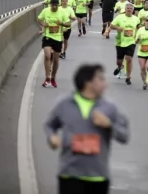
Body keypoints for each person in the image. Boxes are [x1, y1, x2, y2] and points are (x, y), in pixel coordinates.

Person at [44, 64, 129, 194]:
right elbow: (49, 125)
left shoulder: (110, 108)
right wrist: (52, 137)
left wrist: (109, 125)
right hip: (69, 174)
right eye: (101, 79)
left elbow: (124, 136)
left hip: (98, 176)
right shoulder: (65, 104)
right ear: (88, 82)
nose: (105, 84)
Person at [37, 0, 71, 87]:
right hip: (48, 36)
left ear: (58, 5)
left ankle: (53, 78)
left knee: (56, 60)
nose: (54, 7)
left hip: (58, 38)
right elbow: (39, 19)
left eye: (56, 5)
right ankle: (47, 77)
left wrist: (61, 24)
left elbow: (69, 23)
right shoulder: (46, 11)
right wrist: (43, 24)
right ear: (50, 5)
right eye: (53, 5)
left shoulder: (62, 12)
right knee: (47, 56)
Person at [104, 3, 140, 85]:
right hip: (120, 42)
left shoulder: (136, 19)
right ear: (125, 9)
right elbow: (111, 26)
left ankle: (128, 77)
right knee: (119, 61)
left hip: (131, 41)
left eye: (131, 8)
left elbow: (139, 28)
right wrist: (117, 28)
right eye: (128, 8)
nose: (129, 10)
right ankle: (120, 67)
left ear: (133, 10)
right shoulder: (120, 17)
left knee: (129, 59)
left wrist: (140, 36)